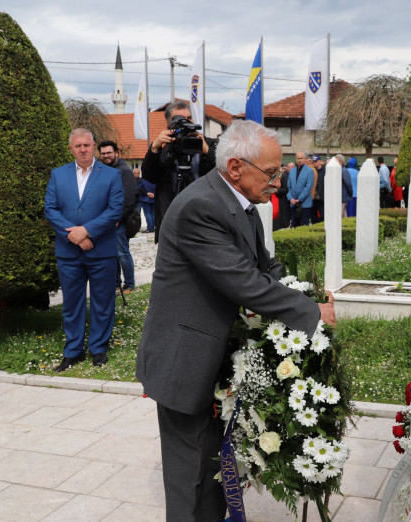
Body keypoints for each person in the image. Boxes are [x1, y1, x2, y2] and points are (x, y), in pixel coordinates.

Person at [135, 120, 336, 521]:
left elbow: (265, 266)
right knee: (189, 480)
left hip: (214, 358)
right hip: (185, 361)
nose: (278, 182)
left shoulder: (238, 202)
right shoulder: (200, 206)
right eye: (272, 172)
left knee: (212, 471)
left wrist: (307, 296)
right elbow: (243, 282)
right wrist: (311, 314)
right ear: (236, 168)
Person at [44, 129, 123, 371]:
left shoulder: (111, 175)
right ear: (71, 148)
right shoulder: (59, 175)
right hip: (69, 253)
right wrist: (75, 236)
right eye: (78, 146)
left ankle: (98, 349)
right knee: (72, 303)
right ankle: (73, 351)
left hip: (102, 252)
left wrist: (87, 231)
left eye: (87, 145)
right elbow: (51, 209)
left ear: (94, 146)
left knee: (102, 301)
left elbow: (115, 210)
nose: (83, 150)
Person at [141, 100, 217, 242]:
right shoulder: (165, 148)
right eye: (179, 120)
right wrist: (155, 149)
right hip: (171, 220)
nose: (186, 123)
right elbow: (149, 176)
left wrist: (207, 150)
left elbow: (224, 173)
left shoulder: (209, 144)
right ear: (169, 125)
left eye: (188, 118)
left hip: (204, 218)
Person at [98, 140, 137, 294]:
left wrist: (117, 219)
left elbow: (129, 198)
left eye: (108, 153)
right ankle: (116, 284)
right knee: (111, 254)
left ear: (116, 153)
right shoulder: (104, 170)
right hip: (107, 220)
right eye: (103, 153)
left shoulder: (124, 171)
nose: (106, 156)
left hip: (120, 221)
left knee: (122, 253)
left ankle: (130, 284)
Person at [287, 152, 314, 227]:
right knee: (294, 225)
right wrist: (290, 198)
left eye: (301, 158)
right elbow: (288, 186)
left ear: (305, 159)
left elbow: (308, 186)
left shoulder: (309, 171)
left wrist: (299, 199)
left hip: (304, 203)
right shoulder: (292, 171)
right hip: (293, 203)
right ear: (296, 159)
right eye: (298, 158)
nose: (300, 160)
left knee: (304, 225)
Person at [135, 167, 157, 233]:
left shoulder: (142, 180)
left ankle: (150, 228)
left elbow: (138, 188)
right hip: (153, 198)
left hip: (145, 199)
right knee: (153, 213)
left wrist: (147, 193)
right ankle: (153, 226)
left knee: (147, 213)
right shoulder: (155, 180)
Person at [311, 155, 326, 223]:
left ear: (320, 161)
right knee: (313, 217)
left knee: (323, 216)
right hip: (313, 198)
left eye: (316, 161)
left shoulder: (325, 170)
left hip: (322, 198)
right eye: (313, 162)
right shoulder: (312, 171)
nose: (314, 163)